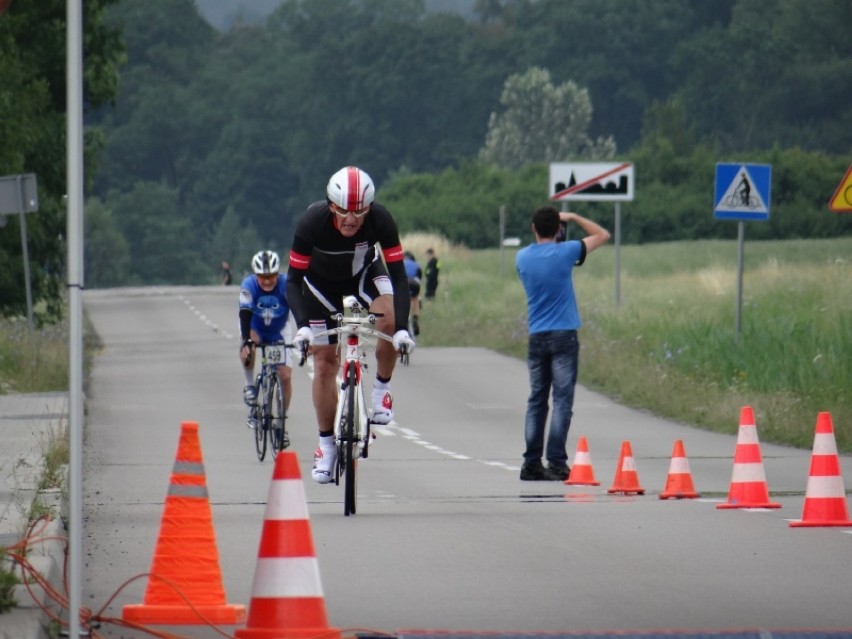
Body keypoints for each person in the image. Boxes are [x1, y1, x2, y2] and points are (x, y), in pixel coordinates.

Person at [287, 166, 416, 484]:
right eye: (343, 209)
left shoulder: (381, 220)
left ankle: (381, 391)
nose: (351, 218)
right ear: (331, 205)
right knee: (324, 361)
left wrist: (401, 329)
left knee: (387, 317)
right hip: (319, 286)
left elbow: (399, 276)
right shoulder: (310, 224)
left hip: (363, 275)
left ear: (368, 208)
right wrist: (303, 326)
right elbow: (293, 281)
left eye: (359, 210)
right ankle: (327, 445)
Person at [515, 206, 610, 481]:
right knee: (562, 400)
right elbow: (602, 235)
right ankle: (556, 460)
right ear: (558, 228)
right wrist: (574, 218)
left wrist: (557, 227)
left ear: (533, 228)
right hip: (564, 334)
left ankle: (531, 462)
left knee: (537, 400)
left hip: (537, 334)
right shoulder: (567, 251)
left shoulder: (522, 258)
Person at [239, 250, 293, 435]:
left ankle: (280, 422)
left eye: (271, 276)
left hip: (279, 329)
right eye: (263, 277)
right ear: (256, 275)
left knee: (285, 376)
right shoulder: (249, 285)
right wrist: (246, 340)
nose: (267, 281)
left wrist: (305, 332)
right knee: (249, 345)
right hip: (255, 326)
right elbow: (244, 313)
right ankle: (250, 385)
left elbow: (300, 308)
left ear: (278, 273)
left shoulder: (286, 284)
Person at [403, 251, 422, 336]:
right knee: (415, 298)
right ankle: (415, 317)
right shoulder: (417, 265)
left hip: (404, 282)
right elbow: (419, 280)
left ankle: (402, 318)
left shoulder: (401, 262)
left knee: (400, 298)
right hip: (414, 283)